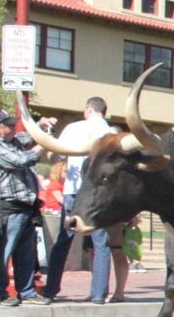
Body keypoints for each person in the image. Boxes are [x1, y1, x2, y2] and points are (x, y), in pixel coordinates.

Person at [42, 96, 129, 304]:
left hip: (74, 191)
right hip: (100, 194)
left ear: (88, 109)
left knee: (63, 241)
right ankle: (99, 294)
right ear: (105, 113)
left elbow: (55, 157)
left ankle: (50, 290)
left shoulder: (74, 128)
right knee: (101, 244)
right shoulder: (113, 134)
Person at [0, 107, 49, 306]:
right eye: (9, 125)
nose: (13, 128)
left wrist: (40, 126)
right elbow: (21, 160)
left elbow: (27, 138)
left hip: (25, 206)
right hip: (6, 207)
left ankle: (27, 292)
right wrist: (44, 142)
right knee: (2, 252)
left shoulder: (11, 140)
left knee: (26, 254)